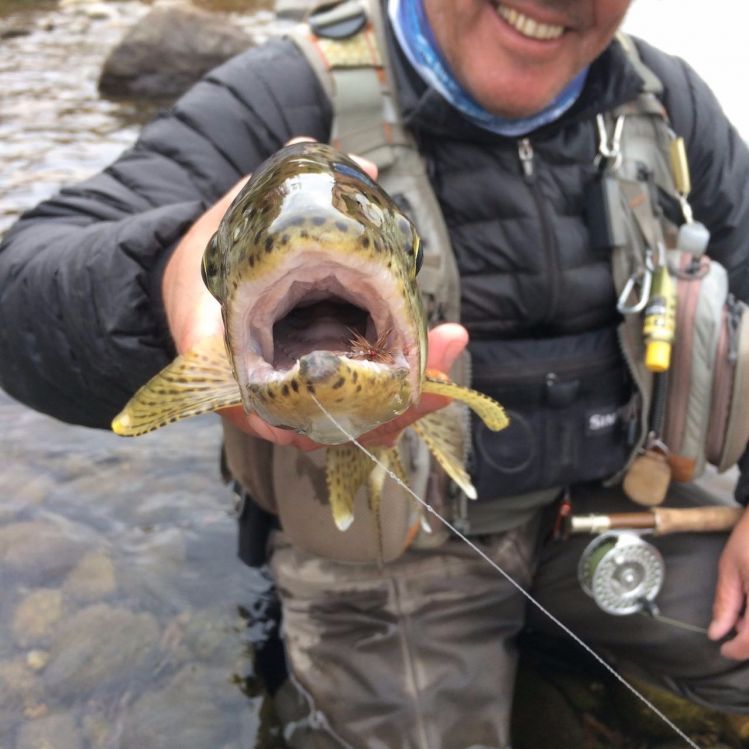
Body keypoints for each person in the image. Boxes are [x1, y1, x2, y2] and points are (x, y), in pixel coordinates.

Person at [1, 0, 749, 746]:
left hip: (611, 511)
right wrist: (165, 281)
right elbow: (19, 297)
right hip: (386, 547)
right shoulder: (273, 95)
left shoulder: (668, 101)